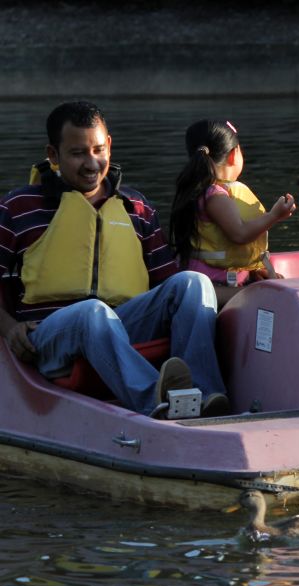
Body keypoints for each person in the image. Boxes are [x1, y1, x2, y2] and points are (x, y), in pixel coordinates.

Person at [0, 101, 228, 417]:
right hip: (49, 340)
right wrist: (9, 328)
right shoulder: (18, 207)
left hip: (120, 327)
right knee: (92, 313)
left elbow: (167, 287)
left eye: (97, 150)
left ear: (109, 145)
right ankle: (158, 402)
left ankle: (205, 396)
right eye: (78, 153)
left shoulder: (138, 208)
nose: (91, 163)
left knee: (193, 284)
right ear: (53, 155)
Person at [169, 119, 296, 306]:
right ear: (233, 155)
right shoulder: (215, 196)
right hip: (213, 287)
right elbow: (240, 233)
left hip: (218, 280)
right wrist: (274, 216)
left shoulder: (198, 191)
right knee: (273, 297)